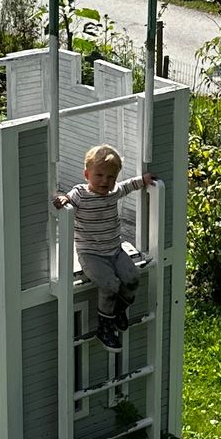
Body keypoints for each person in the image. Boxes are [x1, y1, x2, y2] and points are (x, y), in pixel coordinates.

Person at [54, 143, 158, 349]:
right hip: (91, 253)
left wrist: (143, 181)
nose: (105, 181)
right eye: (99, 175)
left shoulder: (113, 192)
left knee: (133, 279)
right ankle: (105, 327)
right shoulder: (80, 194)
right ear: (87, 175)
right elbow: (67, 202)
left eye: (111, 177)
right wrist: (62, 199)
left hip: (114, 249)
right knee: (110, 284)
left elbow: (128, 185)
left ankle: (118, 311)